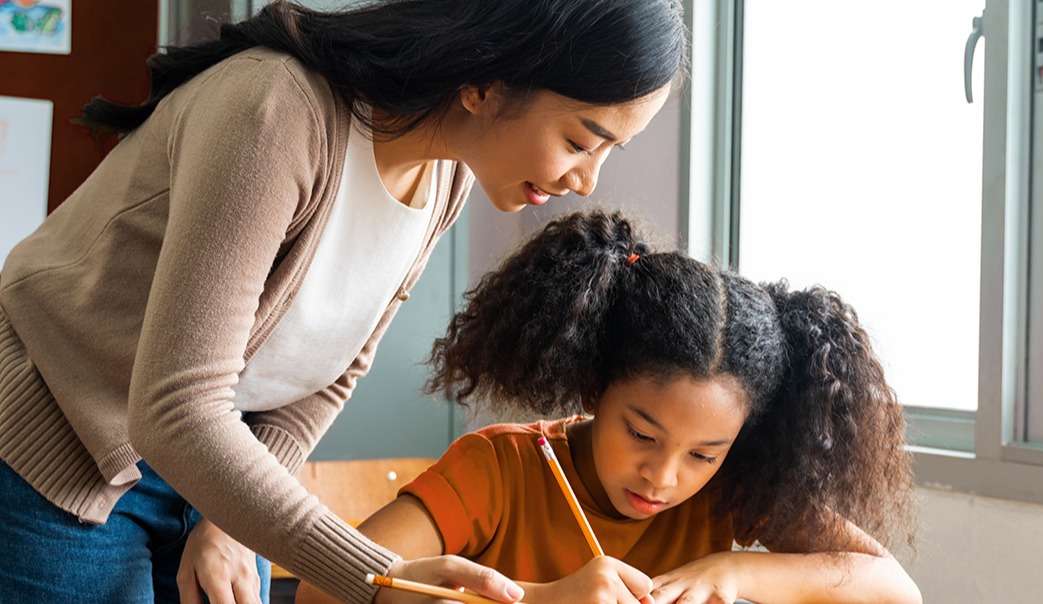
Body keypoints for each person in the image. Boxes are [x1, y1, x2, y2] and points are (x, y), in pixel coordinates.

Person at [0, 1, 685, 602]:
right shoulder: (275, 113)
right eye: (578, 140)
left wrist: (229, 520)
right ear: (484, 83)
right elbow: (177, 407)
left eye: (609, 152)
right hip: (56, 443)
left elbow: (326, 376)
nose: (587, 180)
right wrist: (383, 578)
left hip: (207, 462)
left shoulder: (445, 179)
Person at [298, 211, 922, 604]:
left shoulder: (727, 489)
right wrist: (543, 600)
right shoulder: (503, 468)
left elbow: (893, 590)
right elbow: (323, 591)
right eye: (642, 434)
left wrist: (735, 571)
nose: (665, 476)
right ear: (596, 387)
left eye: (704, 453)